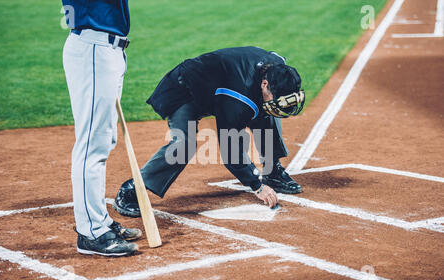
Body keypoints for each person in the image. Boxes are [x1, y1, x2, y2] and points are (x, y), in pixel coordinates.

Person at [113, 46, 306, 218]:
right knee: (183, 146)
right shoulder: (238, 97)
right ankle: (132, 189)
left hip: (217, 88)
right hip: (184, 91)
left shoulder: (278, 67)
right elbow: (231, 151)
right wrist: (257, 185)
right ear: (264, 84)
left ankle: (273, 170)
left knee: (268, 112)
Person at [62, 0, 141, 256]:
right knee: (92, 145)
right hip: (94, 48)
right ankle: (91, 232)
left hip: (108, 49)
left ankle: (101, 221)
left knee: (105, 140)